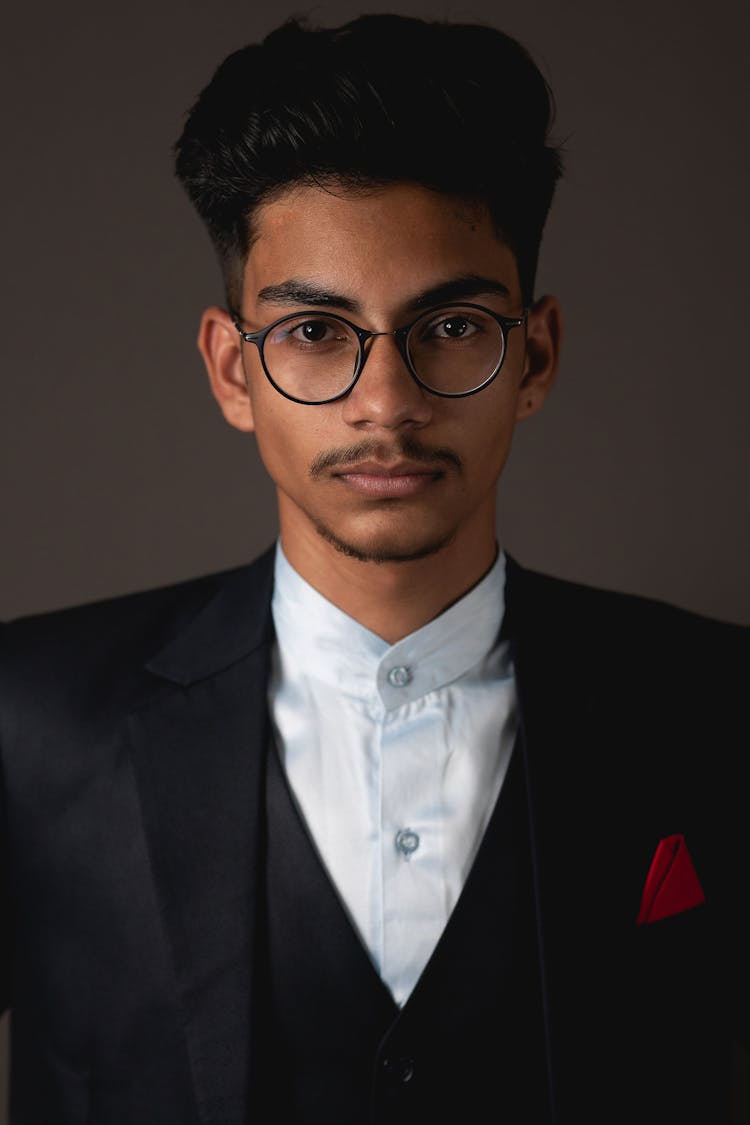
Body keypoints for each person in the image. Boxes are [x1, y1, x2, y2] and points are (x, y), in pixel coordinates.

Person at [0, 13, 747, 1124]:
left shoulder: (718, 706)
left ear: (533, 356)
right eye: (314, 332)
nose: (386, 402)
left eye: (449, 326)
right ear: (231, 369)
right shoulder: (27, 718)